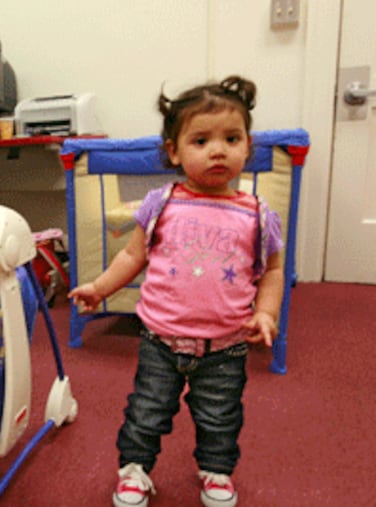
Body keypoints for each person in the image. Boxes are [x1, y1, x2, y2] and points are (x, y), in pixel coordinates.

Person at [69, 76, 283, 507]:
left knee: (220, 416)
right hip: (160, 340)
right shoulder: (161, 203)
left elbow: (273, 270)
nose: (217, 150)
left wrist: (266, 313)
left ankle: (217, 472)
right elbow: (132, 256)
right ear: (174, 151)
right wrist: (99, 287)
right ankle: (134, 471)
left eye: (231, 138)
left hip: (225, 345)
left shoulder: (258, 214)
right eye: (201, 140)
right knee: (146, 411)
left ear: (248, 145)